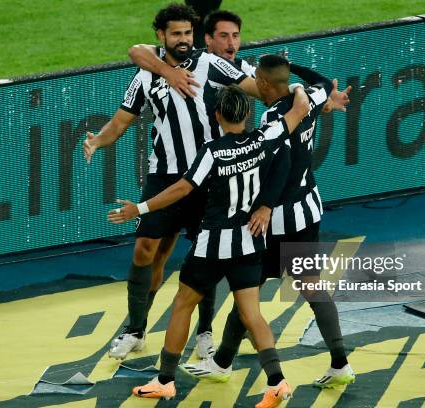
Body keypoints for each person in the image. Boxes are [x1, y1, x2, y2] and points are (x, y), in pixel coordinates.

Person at [109, 83, 310, 406]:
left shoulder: (212, 151)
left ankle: (164, 380)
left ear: (216, 116)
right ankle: (277, 382)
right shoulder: (264, 138)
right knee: (252, 315)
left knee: (182, 305)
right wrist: (298, 86)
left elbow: (180, 190)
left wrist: (140, 208)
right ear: (246, 114)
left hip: (213, 245)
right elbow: (300, 110)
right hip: (249, 243)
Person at [83, 3, 260, 361]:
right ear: (161, 36)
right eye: (176, 34)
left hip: (209, 173)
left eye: (188, 33)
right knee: (144, 248)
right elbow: (121, 121)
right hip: (164, 174)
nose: (183, 40)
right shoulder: (147, 75)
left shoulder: (211, 63)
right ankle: (135, 329)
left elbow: (253, 87)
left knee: (206, 255)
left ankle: (205, 332)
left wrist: (302, 98)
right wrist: (99, 140)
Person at [181, 55, 356, 389]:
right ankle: (340, 363)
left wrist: (263, 206)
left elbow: (280, 164)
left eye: (256, 78)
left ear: (262, 84)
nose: (253, 83)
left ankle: (222, 362)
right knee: (312, 285)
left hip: (275, 219)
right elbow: (321, 81)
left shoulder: (274, 117)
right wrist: (296, 81)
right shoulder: (312, 98)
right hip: (308, 207)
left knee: (249, 290)